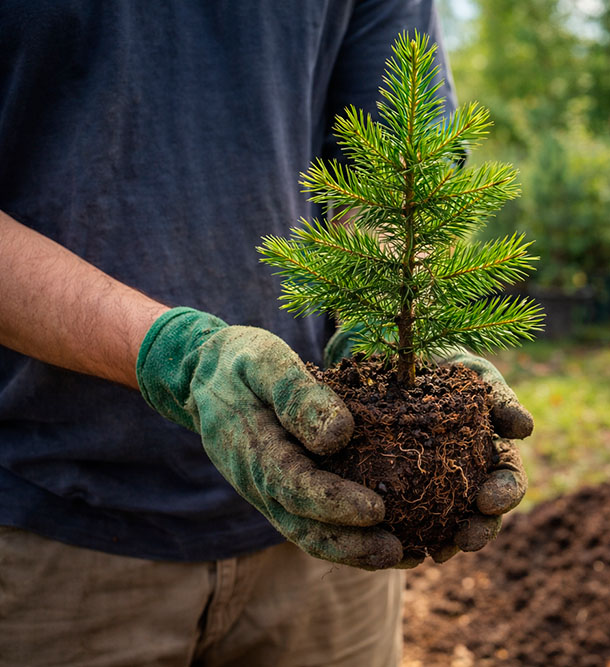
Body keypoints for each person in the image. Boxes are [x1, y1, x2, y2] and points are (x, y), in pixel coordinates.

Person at [0, 2, 530, 665]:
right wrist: (180, 358)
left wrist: (379, 318)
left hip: (327, 526)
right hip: (46, 530)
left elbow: (395, 171)